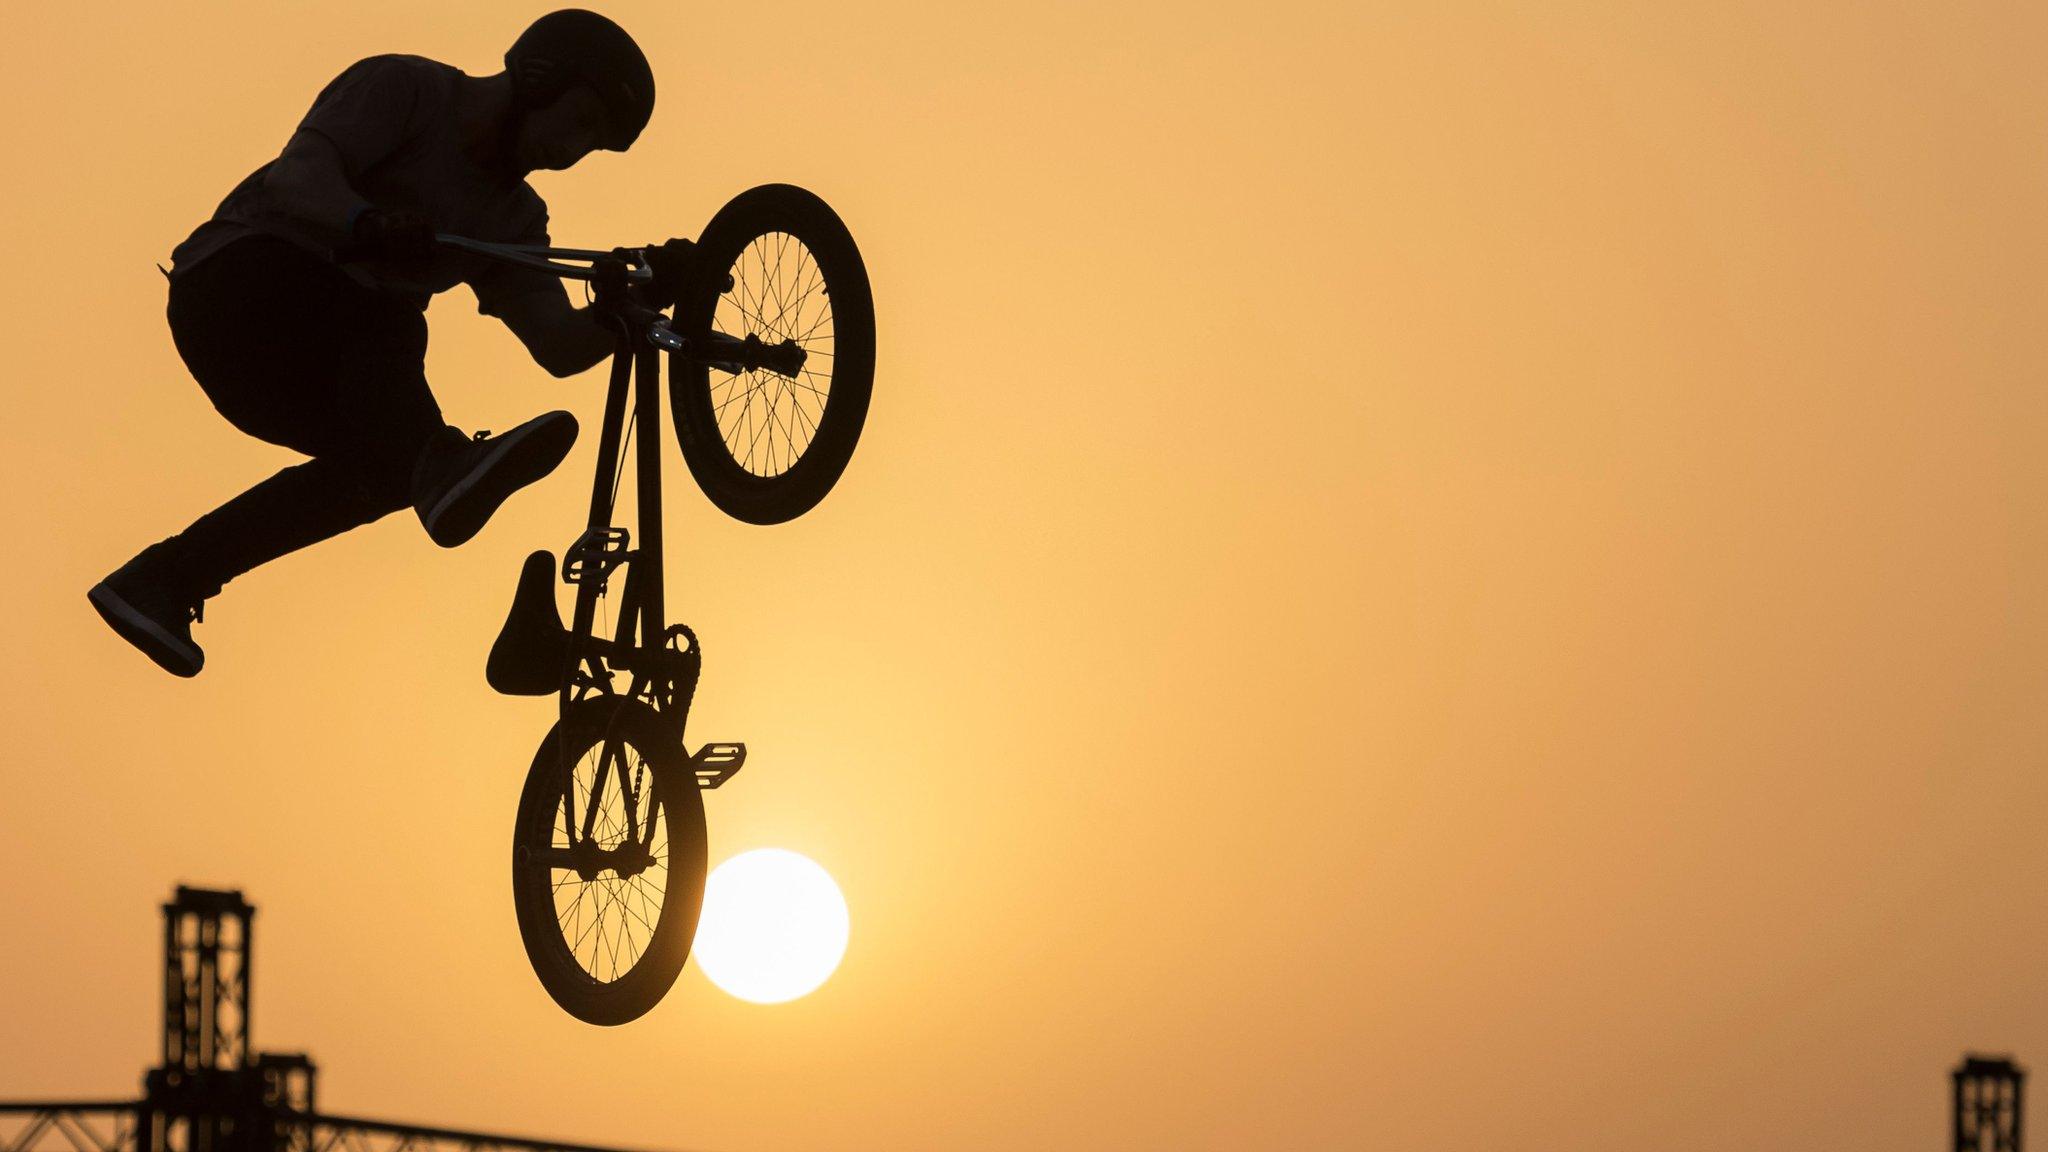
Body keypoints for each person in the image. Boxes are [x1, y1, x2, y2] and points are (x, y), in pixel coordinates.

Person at [89, 9, 690, 678]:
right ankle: (444, 461)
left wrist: (631, 306)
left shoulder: (515, 217)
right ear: (540, 76)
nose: (571, 152)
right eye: (578, 122)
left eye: (593, 146)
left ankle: (166, 580)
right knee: (392, 314)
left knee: (385, 472)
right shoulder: (406, 90)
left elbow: (555, 343)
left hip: (302, 375)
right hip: (236, 292)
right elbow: (297, 177)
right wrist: (363, 220)